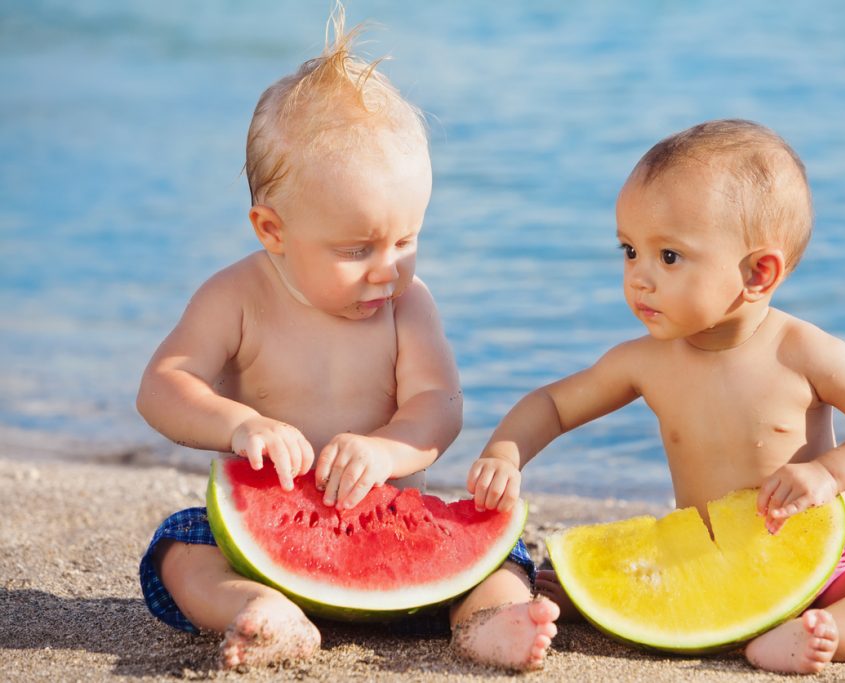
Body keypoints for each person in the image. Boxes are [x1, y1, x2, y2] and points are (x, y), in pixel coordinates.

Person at [136, 9, 557, 671]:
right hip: (263, 553)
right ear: (271, 230)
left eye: (407, 240)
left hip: (397, 541)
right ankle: (260, 611)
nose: (388, 267)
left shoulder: (407, 306)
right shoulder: (235, 297)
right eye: (358, 248)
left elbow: (438, 405)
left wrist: (386, 451)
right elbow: (163, 387)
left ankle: (487, 623)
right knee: (180, 546)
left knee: (505, 555)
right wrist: (241, 424)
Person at [466, 119, 845, 674]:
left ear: (758, 272)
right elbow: (553, 406)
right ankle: (505, 627)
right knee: (533, 576)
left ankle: (825, 633)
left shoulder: (802, 351)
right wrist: (504, 452)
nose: (639, 278)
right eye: (629, 250)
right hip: (699, 571)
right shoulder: (646, 360)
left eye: (669, 257)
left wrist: (830, 473)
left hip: (817, 569)